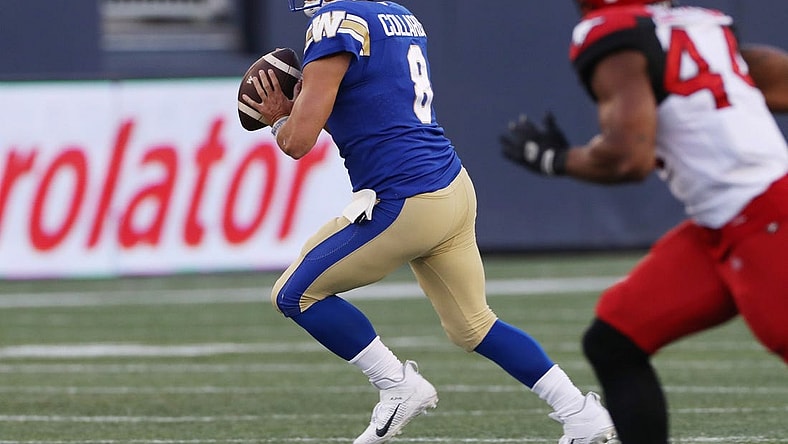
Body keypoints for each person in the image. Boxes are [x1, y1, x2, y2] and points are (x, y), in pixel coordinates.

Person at [240, 1, 619, 443]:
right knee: (474, 326)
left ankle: (397, 385)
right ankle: (579, 412)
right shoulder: (397, 14)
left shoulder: (334, 23)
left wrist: (281, 116)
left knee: (294, 295)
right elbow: (370, 102)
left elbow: (298, 142)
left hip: (406, 201)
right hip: (451, 187)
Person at [499, 1, 788, 443]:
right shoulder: (696, 23)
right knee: (616, 339)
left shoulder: (612, 31)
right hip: (722, 221)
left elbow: (627, 159)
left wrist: (558, 159)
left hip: (763, 216)